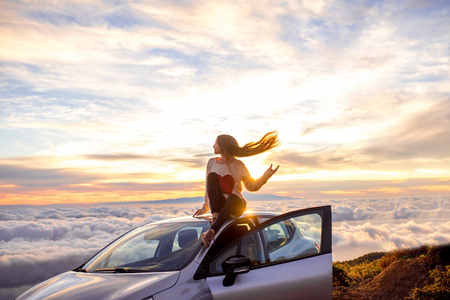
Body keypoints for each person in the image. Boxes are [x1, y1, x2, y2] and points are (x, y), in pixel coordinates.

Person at [193, 131, 280, 247]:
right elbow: (209, 187)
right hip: (220, 205)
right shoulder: (211, 163)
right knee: (212, 176)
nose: (213, 146)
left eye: (216, 143)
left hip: (236, 204)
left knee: (233, 197)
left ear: (223, 146)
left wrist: (267, 174)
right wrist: (205, 208)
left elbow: (251, 186)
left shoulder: (238, 165)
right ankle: (215, 219)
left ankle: (211, 231)